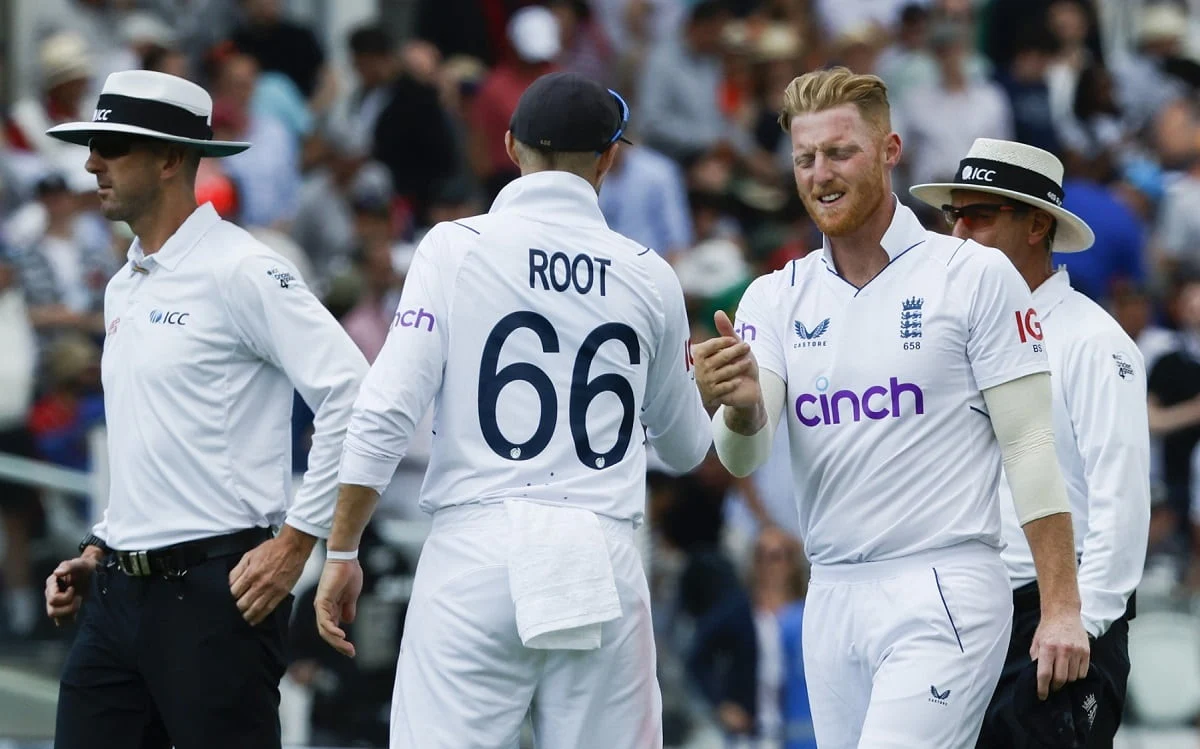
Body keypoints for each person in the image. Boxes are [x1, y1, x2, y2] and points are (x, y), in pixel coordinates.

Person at [691, 67, 1090, 748]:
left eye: (840, 151)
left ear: (888, 149)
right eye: (805, 157)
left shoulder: (971, 274)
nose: (821, 173)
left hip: (943, 583)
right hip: (831, 591)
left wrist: (1061, 605)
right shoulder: (774, 295)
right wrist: (737, 406)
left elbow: (1028, 446)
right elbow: (746, 453)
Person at [312, 71, 712, 749]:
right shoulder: (650, 274)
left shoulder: (454, 247)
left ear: (509, 145)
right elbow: (684, 449)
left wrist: (343, 545)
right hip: (601, 551)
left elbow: (383, 410)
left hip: (477, 549)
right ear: (609, 157)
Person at [40, 70, 368, 749]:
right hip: (116, 595)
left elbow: (351, 391)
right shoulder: (125, 281)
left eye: (113, 145)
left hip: (221, 598)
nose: (91, 162)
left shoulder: (243, 269)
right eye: (93, 144)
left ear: (170, 159)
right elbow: (154, 440)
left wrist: (297, 541)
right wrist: (101, 544)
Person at [910, 137, 1150, 747]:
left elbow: (1121, 501)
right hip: (956, 613)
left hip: (1052, 617)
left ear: (1038, 224)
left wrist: (1080, 619)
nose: (958, 232)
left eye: (980, 215)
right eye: (953, 215)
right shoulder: (950, 337)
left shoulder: (1095, 342)